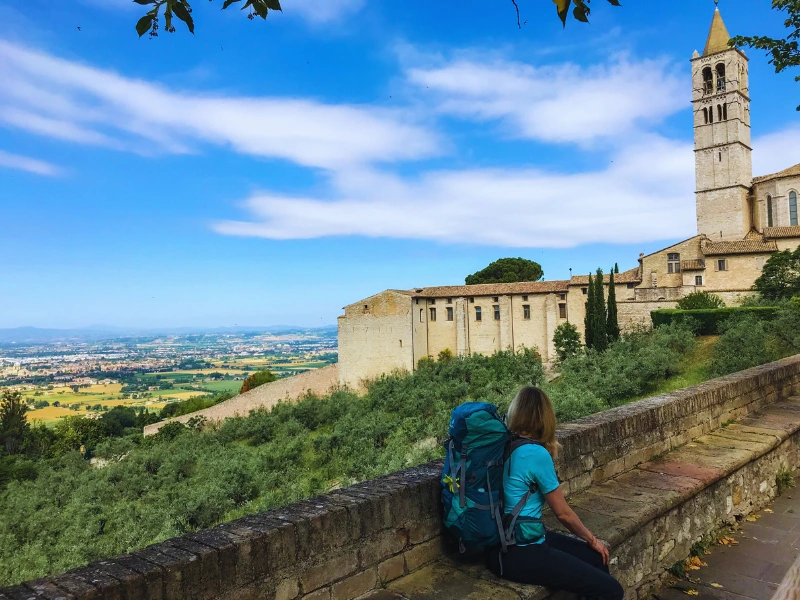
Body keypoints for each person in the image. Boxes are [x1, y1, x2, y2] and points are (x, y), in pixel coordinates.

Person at [485, 386, 624, 600]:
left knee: (596, 560)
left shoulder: (505, 445)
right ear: (545, 418)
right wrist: (593, 539)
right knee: (611, 590)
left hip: (502, 544)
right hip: (521, 552)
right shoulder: (536, 453)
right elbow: (563, 514)